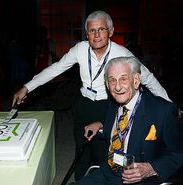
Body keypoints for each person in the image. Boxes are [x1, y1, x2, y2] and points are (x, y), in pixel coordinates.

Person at [12, 10, 171, 180]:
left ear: (110, 31)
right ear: (87, 33)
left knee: (103, 152)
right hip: (84, 104)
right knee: (81, 149)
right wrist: (27, 87)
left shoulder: (122, 53)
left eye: (101, 29)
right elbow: (55, 68)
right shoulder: (80, 49)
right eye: (92, 31)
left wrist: (169, 104)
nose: (96, 35)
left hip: (108, 106)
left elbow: (147, 77)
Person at [72, 56, 183, 185]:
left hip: (138, 179)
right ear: (107, 85)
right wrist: (101, 124)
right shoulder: (113, 102)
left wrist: (150, 168)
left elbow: (179, 153)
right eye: (112, 80)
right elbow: (118, 125)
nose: (117, 87)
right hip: (108, 169)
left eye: (123, 79)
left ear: (136, 80)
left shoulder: (163, 111)